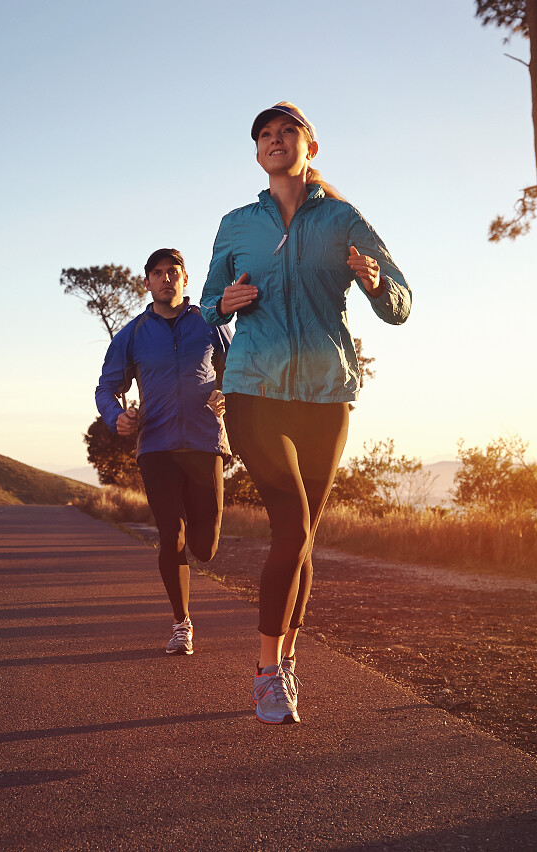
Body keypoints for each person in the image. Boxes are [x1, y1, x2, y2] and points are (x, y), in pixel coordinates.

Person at [199, 101, 411, 724]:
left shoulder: (342, 219)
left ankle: (286, 661)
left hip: (325, 395)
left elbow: (400, 303)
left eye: (287, 131)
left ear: (309, 148)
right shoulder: (237, 224)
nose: (275, 140)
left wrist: (374, 283)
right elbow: (207, 304)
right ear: (256, 151)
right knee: (291, 525)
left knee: (304, 538)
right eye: (264, 134)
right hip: (254, 391)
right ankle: (266, 672)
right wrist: (226, 302)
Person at [96, 248, 233, 655]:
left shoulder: (211, 323)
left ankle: (197, 553)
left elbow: (244, 365)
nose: (165, 279)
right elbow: (106, 387)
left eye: (172, 272)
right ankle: (181, 623)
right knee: (170, 535)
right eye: (157, 273)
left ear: (185, 279)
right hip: (155, 445)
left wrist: (229, 392)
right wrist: (115, 417)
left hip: (206, 442)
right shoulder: (134, 333)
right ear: (147, 283)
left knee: (205, 546)